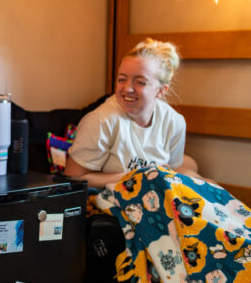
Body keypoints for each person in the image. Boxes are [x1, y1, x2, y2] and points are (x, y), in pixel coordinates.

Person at [65, 38, 204, 189]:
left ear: (161, 90)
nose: (127, 89)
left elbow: (172, 170)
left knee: (198, 175)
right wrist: (136, 176)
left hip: (155, 196)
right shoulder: (101, 121)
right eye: (121, 79)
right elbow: (74, 178)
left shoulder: (174, 122)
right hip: (114, 199)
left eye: (140, 82)